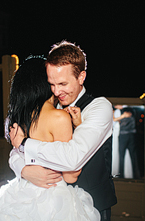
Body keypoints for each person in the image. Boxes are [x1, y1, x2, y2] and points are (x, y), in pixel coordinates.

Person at [8, 40, 116, 221]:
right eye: (52, 84)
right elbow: (14, 150)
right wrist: (23, 170)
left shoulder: (99, 107)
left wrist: (25, 144)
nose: (57, 91)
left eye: (63, 84)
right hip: (52, 208)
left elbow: (73, 157)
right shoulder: (50, 108)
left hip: (94, 205)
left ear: (81, 77)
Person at [0, 56, 98, 220]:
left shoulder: (21, 117)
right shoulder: (59, 117)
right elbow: (70, 175)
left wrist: (25, 170)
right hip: (55, 202)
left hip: (20, 196)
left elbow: (15, 154)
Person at [113, 105, 138, 178]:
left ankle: (124, 175)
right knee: (129, 156)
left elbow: (114, 120)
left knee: (123, 155)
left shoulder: (125, 110)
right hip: (129, 134)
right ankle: (133, 175)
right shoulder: (131, 109)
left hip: (124, 134)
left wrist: (122, 116)